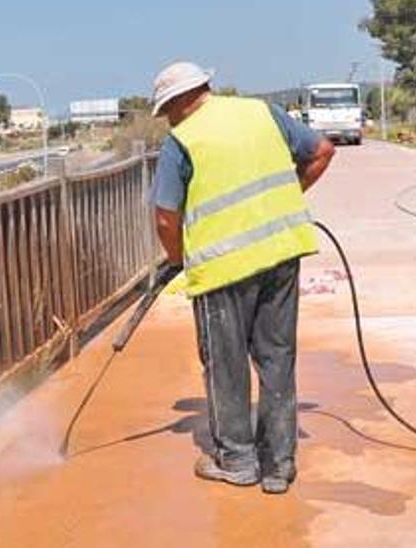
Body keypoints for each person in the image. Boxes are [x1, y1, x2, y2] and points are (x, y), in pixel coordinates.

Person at [148, 61, 336, 494]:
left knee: (226, 365)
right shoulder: (260, 111)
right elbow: (322, 150)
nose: (168, 119)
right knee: (277, 357)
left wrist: (179, 258)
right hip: (282, 252)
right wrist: (284, 200)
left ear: (179, 101)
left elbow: (164, 217)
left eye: (167, 110)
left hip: (221, 269)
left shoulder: (182, 140)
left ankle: (237, 460)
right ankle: (278, 465)